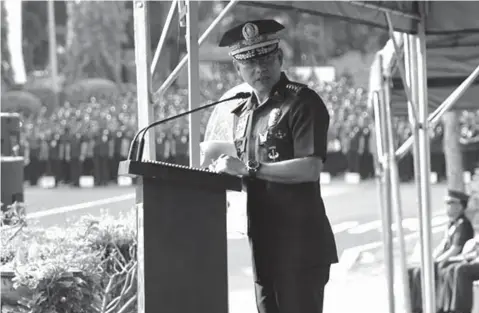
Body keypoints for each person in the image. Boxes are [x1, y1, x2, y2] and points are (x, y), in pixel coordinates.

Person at [210, 19, 338, 313]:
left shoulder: (302, 102)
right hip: (264, 242)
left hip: (299, 243)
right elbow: (247, 177)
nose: (259, 69)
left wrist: (250, 169)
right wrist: (221, 177)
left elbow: (310, 168)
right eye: (250, 63)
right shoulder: (242, 113)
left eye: (266, 59)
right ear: (237, 69)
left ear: (280, 58)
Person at [408, 189, 474, 313]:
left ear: (460, 206)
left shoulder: (463, 225)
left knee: (434, 270)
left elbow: (455, 249)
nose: (447, 206)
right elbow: (443, 245)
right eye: (446, 203)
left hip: (456, 259)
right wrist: (431, 258)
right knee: (414, 271)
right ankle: (416, 306)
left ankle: (435, 306)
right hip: (447, 258)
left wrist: (437, 261)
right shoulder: (452, 224)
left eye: (451, 203)